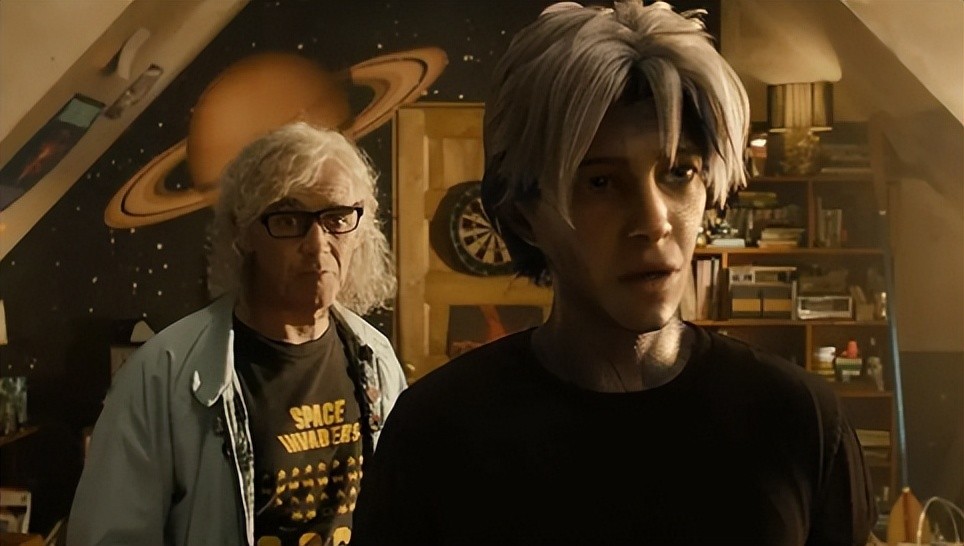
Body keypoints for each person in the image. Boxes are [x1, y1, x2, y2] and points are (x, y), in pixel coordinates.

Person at [351, 2, 875, 545]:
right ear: (523, 215)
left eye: (679, 172)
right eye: (600, 182)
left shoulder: (798, 420)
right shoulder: (439, 432)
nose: (654, 221)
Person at [67, 122, 407, 546]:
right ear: (244, 233)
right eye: (289, 219)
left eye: (337, 218)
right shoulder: (162, 374)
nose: (318, 245)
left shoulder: (376, 358)